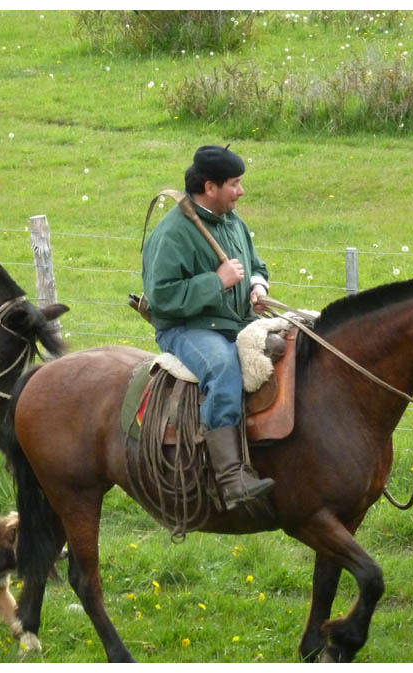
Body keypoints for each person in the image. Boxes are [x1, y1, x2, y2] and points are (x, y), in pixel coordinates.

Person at [141, 144, 274, 510]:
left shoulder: (233, 222)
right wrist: (217, 281)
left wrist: (256, 286)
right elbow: (162, 296)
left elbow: (256, 265)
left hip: (237, 320)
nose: (241, 191)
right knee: (223, 369)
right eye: (234, 184)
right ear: (209, 187)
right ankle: (229, 478)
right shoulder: (173, 233)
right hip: (188, 329)